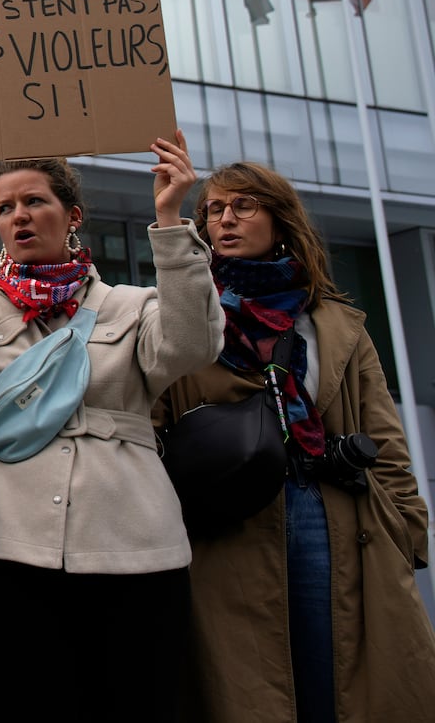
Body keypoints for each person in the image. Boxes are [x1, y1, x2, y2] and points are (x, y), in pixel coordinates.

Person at [0, 135, 222, 721]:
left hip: (132, 546)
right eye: (4, 207)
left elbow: (193, 345)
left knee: (136, 702)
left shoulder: (132, 304)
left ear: (71, 215)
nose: (19, 216)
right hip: (4, 547)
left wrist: (171, 219)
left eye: (34, 202)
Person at [156, 162, 435, 722]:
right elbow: (154, 422)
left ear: (280, 221)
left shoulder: (334, 324)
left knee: (336, 680)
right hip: (225, 522)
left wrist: (406, 531)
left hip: (330, 510)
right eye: (214, 210)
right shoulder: (181, 314)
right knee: (249, 689)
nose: (225, 220)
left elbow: (385, 439)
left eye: (244, 207)